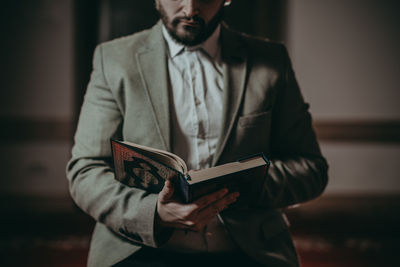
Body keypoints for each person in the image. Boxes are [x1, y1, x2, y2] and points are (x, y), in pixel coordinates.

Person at [66, 0, 328, 266]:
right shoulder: (113, 60)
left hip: (250, 250)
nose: (190, 10)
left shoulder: (272, 61)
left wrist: (242, 188)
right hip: (138, 249)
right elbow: (85, 171)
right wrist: (153, 213)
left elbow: (311, 169)